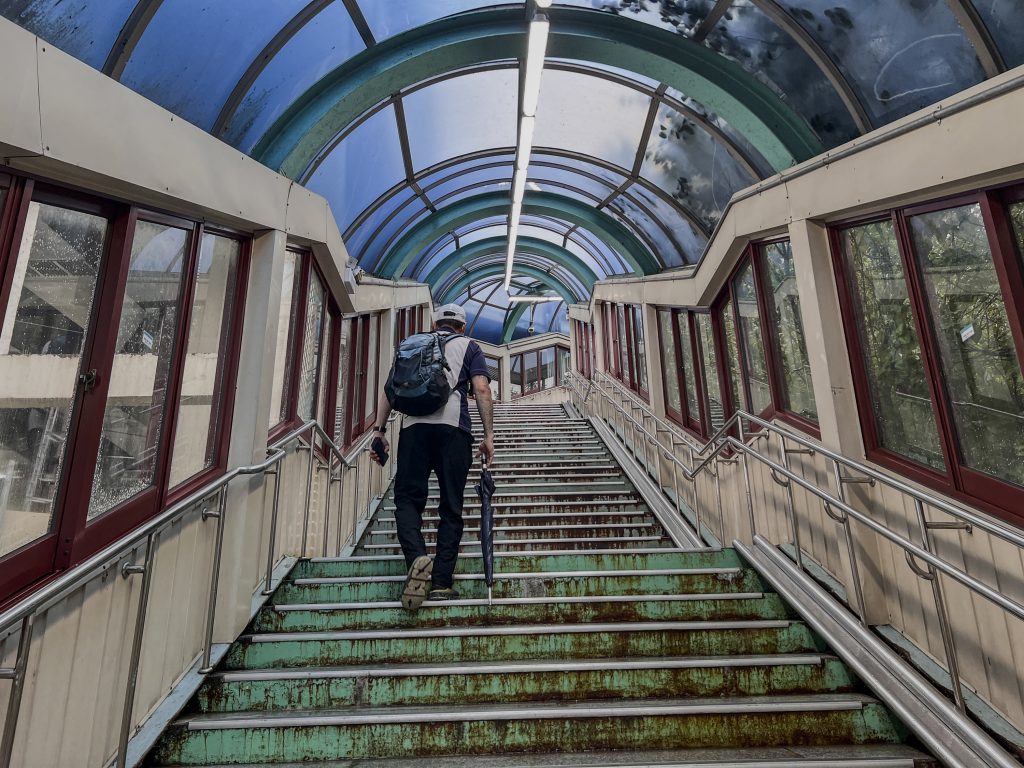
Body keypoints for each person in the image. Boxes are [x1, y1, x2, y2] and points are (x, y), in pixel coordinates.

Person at [370, 303, 495, 610]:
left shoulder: (413, 344)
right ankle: (440, 582)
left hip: (413, 429)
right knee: (451, 505)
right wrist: (489, 436)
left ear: (434, 322)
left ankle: (417, 559)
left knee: (408, 501)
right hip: (454, 430)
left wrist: (379, 430)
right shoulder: (469, 346)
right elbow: (481, 389)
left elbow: (390, 390)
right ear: (462, 327)